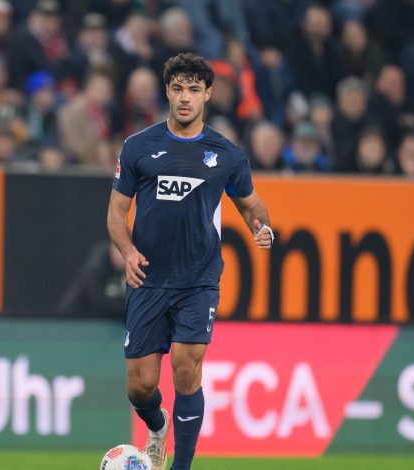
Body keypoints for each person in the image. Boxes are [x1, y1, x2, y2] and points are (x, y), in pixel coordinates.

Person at [106, 53, 273, 470]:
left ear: (208, 94)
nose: (185, 97)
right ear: (167, 91)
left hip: (198, 280)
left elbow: (251, 204)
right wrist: (128, 252)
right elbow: (116, 213)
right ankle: (157, 426)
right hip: (148, 279)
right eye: (178, 88)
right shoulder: (138, 147)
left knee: (186, 366)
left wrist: (262, 227)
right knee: (140, 387)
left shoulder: (227, 155)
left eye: (194, 89)